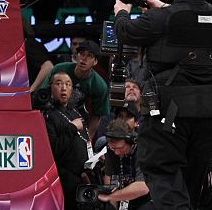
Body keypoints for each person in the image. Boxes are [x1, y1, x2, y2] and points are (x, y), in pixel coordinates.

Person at [113, 0, 212, 209]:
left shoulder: (163, 18)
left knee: (162, 169)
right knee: (191, 177)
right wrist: (165, 10)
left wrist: (122, 13)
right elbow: (192, 23)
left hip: (171, 113)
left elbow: (126, 32)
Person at [41, 40, 111, 140]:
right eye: (82, 54)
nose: (84, 58)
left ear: (95, 61)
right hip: (51, 113)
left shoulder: (99, 85)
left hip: (76, 118)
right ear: (76, 56)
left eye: (90, 55)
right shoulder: (59, 69)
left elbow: (97, 116)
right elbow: (42, 95)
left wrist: (88, 139)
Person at [42, 71, 90, 210]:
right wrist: (72, 127)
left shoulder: (75, 112)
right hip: (65, 177)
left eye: (68, 84)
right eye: (58, 83)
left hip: (85, 174)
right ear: (50, 88)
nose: (64, 87)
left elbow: (85, 140)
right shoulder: (48, 116)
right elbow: (53, 150)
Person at [98, 118, 151, 209]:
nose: (116, 153)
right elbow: (110, 179)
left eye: (120, 148)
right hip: (125, 198)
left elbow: (143, 187)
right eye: (113, 148)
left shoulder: (142, 149)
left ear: (130, 142)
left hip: (149, 199)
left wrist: (111, 197)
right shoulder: (111, 150)